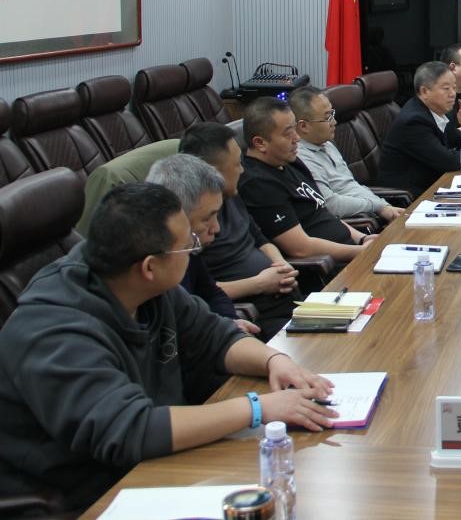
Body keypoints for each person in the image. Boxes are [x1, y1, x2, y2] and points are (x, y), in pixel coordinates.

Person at [0, 183, 335, 510]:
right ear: (149, 266)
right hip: (88, 493)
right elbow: (131, 430)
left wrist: (274, 360)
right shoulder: (53, 329)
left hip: (153, 461)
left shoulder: (141, 284)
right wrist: (257, 409)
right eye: (188, 245)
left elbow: (214, 335)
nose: (194, 251)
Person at [179, 122, 301, 340]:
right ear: (212, 173)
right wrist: (260, 284)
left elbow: (260, 238)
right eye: (237, 164)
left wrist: (281, 265)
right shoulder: (190, 223)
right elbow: (196, 292)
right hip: (258, 318)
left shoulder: (232, 195)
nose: (243, 170)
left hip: (288, 301)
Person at [237, 97, 371, 263]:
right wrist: (361, 252)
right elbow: (300, 248)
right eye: (288, 133)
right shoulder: (258, 185)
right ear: (260, 143)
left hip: (353, 251)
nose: (297, 138)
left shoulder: (291, 162)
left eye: (295, 129)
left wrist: (363, 239)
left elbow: (322, 212)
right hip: (330, 267)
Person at [145, 154, 257, 335]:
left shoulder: (191, 250)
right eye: (207, 219)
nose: (216, 228)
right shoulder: (159, 274)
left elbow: (212, 293)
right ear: (177, 215)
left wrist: (231, 322)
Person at [290, 86, 406, 224]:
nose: (334, 122)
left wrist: (384, 206)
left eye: (332, 114)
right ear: (303, 126)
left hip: (370, 211)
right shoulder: (301, 159)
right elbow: (331, 205)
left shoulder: (326, 144)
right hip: (353, 224)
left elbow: (350, 186)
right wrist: (378, 206)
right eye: (327, 117)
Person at [378, 61, 461, 197]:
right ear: (424, 91)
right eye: (446, 88)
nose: (453, 94)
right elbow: (445, 160)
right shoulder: (414, 121)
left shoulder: (436, 113)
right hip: (409, 198)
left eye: (454, 88)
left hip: (433, 187)